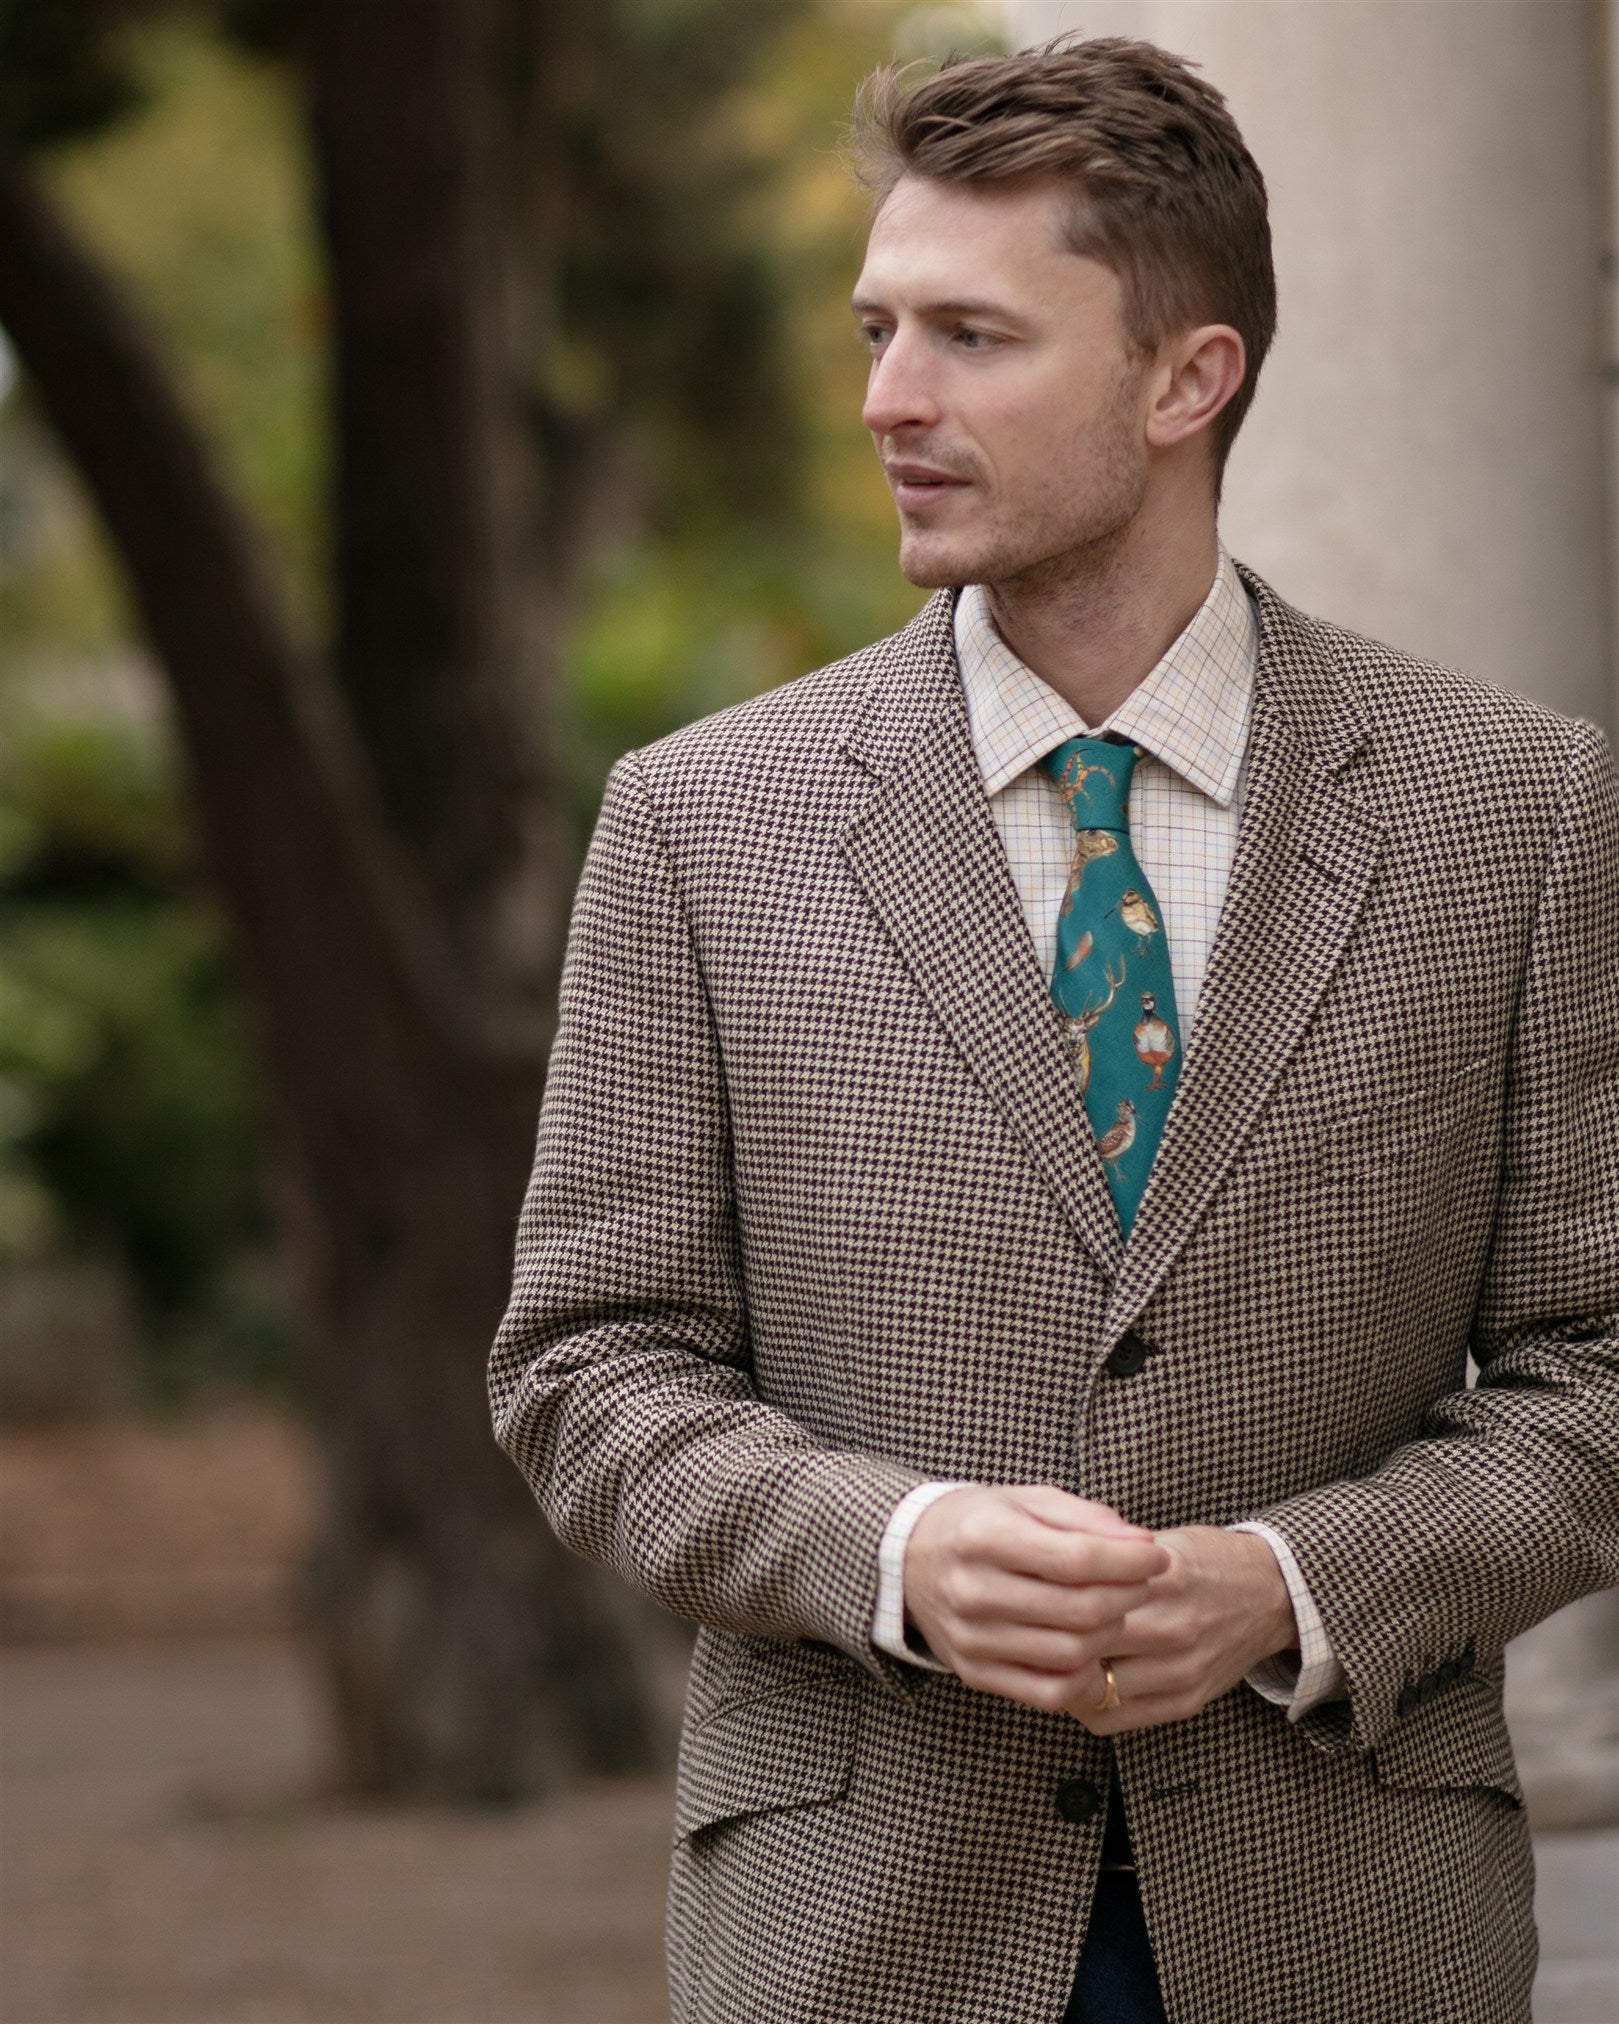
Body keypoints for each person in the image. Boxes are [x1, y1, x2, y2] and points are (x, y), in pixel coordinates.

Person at [488, 36, 1618, 2024]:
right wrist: (895, 1547)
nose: (887, 399)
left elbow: (1595, 1368)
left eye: (972, 337)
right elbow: (588, 1367)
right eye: (879, 330)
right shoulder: (703, 822)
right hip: (865, 1929)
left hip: (1347, 1922)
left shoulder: (1512, 811)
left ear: (1187, 381)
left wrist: (1298, 1582)